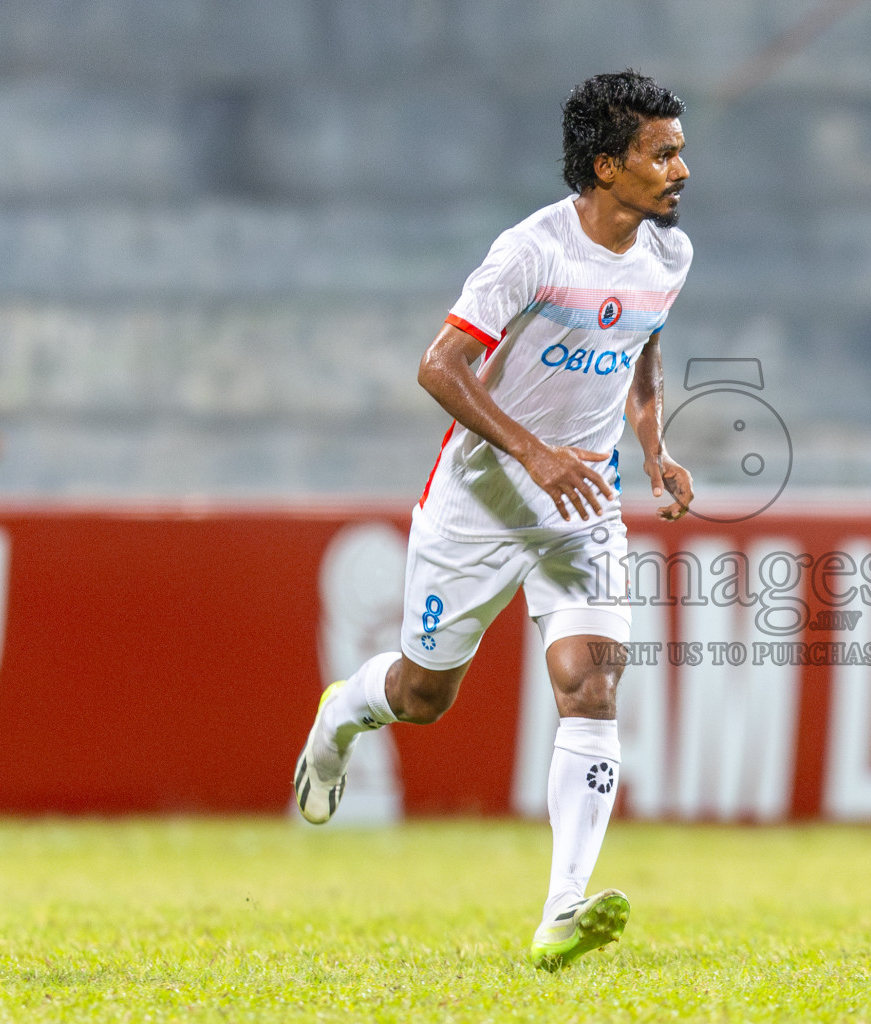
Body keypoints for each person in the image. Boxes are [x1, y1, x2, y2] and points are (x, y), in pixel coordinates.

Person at [293, 69, 694, 973]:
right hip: (481, 503)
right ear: (605, 165)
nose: (681, 167)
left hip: (583, 503)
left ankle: (562, 910)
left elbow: (641, 350)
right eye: (661, 152)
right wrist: (531, 451)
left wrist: (655, 445)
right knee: (423, 697)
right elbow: (439, 367)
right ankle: (339, 718)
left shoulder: (669, 256)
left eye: (680, 148)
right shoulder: (531, 253)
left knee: (590, 685)